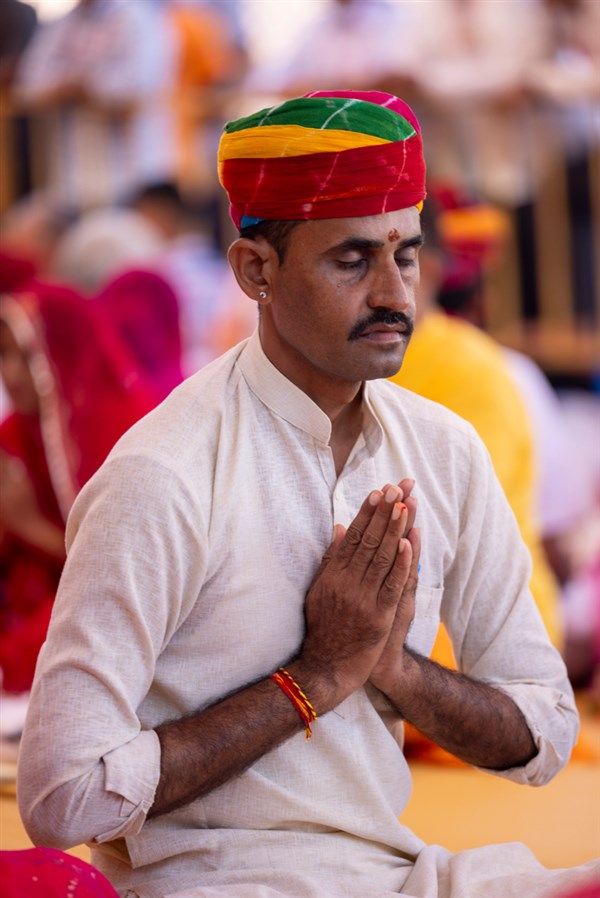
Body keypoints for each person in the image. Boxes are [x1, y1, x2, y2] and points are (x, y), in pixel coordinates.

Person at [17, 90, 599, 897]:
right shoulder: (165, 475)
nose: (396, 296)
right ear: (257, 270)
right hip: (220, 885)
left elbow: (544, 736)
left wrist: (390, 665)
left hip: (404, 876)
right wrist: (312, 678)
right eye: (352, 260)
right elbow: (61, 797)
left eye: (407, 255)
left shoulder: (443, 447)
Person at [0, 281, 155, 694]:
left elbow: (118, 576)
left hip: (95, 609)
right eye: (4, 355)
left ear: (64, 353)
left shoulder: (119, 437)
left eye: (28, 356)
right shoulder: (14, 437)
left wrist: (29, 525)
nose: (11, 374)